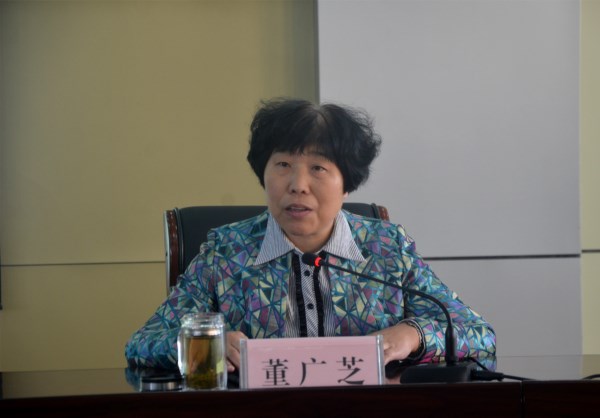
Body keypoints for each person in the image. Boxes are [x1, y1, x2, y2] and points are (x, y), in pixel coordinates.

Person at [125, 98, 496, 374]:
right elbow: (144, 342)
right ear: (263, 173)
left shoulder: (387, 247)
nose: (298, 185)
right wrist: (210, 346)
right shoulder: (226, 250)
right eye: (283, 165)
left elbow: (477, 333)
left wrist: (411, 336)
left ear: (347, 183)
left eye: (318, 168)